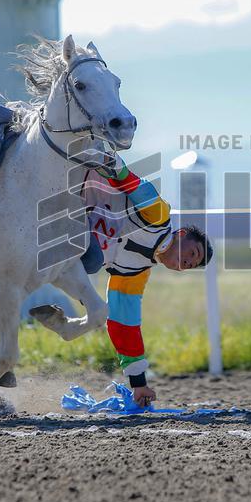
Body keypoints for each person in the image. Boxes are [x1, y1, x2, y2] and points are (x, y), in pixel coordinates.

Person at [33, 152, 212, 407]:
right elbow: (136, 186)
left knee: (89, 266)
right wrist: (113, 163)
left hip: (61, 229)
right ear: (181, 234)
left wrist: (139, 385)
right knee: (93, 260)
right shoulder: (158, 216)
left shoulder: (136, 274)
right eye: (192, 253)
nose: (187, 263)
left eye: (191, 266)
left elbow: (124, 323)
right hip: (73, 182)